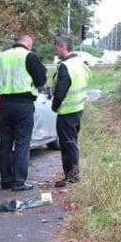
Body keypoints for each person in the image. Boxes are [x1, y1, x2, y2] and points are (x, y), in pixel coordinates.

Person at [0, 33, 47, 191]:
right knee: (22, 142)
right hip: (23, 104)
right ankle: (19, 182)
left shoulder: (1, 56)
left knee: (5, 143)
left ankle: (6, 181)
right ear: (29, 44)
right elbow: (41, 80)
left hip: (5, 104)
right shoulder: (29, 56)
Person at [50, 35, 89, 188]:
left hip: (66, 111)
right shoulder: (79, 63)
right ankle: (73, 174)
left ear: (63, 47)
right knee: (72, 143)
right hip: (78, 108)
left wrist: (55, 106)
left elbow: (61, 91)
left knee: (67, 144)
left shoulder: (66, 66)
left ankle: (71, 176)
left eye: (56, 48)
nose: (55, 52)